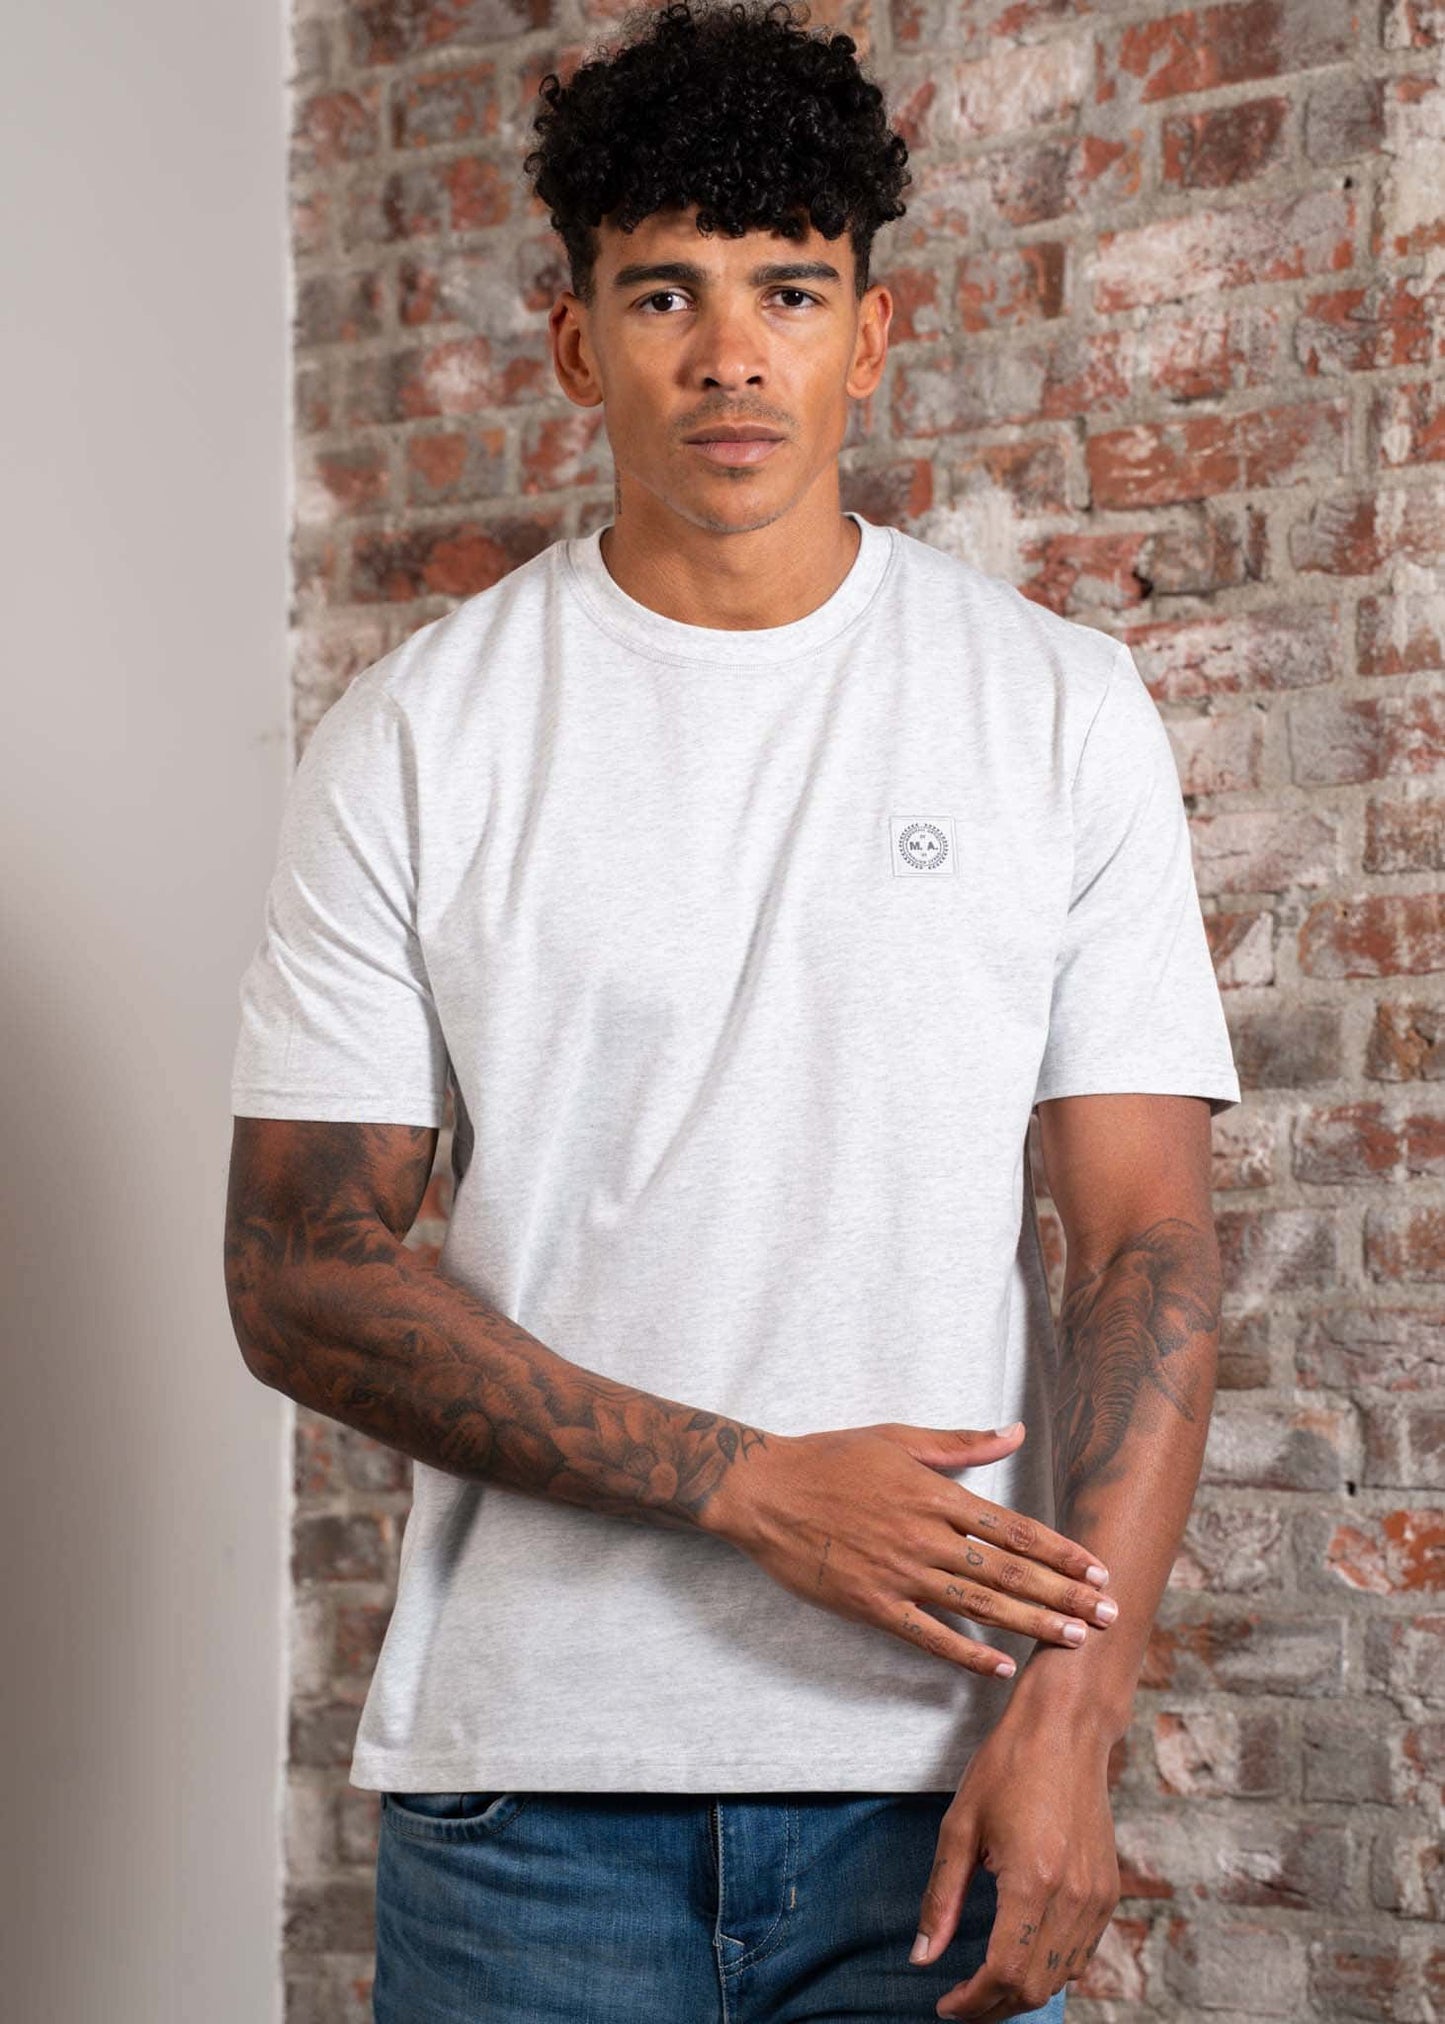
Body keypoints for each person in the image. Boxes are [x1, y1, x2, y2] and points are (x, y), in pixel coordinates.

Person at [223, 2, 1242, 2016]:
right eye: (662, 292)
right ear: (574, 342)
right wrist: (744, 1480)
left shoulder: (1054, 709)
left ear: (868, 333)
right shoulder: (419, 737)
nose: (728, 354)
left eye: (787, 289)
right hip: (532, 1803)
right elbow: (297, 1270)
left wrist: (1075, 1712)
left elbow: (1146, 1241)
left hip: (940, 1779)